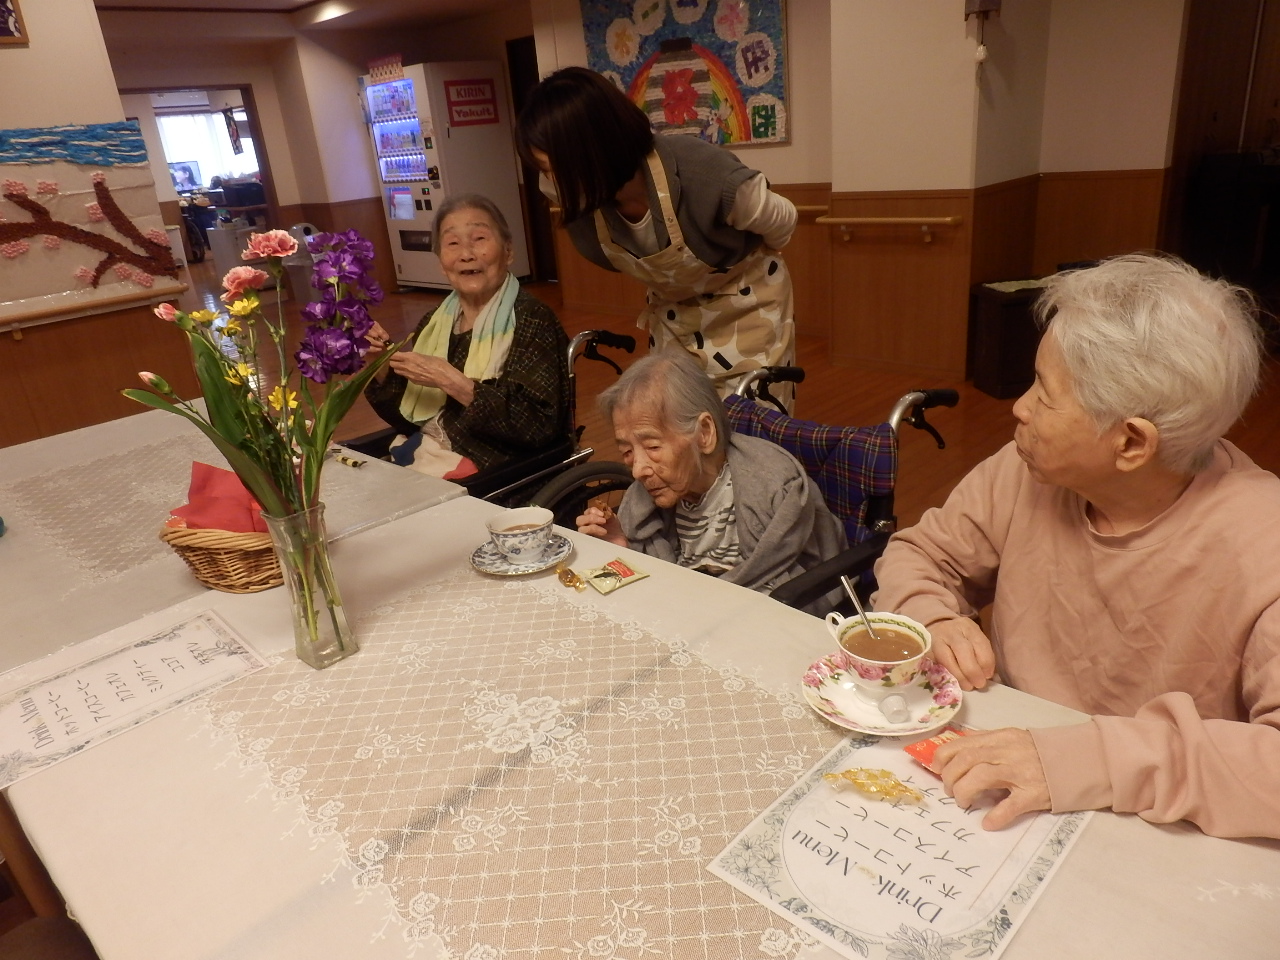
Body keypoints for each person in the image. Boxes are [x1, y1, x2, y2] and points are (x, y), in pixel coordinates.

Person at [873, 253, 1280, 840]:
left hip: (1152, 825)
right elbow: (921, 554)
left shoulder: (1262, 546)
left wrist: (1088, 761)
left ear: (1131, 443)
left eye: (1044, 392)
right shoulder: (1027, 468)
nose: (1019, 407)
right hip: (1005, 773)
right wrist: (929, 615)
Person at [517, 67, 798, 407]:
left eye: (555, 170)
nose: (549, 183)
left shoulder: (706, 177)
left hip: (749, 310)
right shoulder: (564, 191)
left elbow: (783, 222)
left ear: (597, 151)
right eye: (544, 170)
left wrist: (743, 270)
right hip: (675, 317)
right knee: (676, 421)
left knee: (752, 426)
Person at [577, 350, 846, 610]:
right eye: (627, 451)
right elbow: (656, 578)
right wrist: (624, 545)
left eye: (652, 447)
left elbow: (802, 592)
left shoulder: (774, 491)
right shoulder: (649, 497)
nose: (638, 470)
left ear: (704, 433)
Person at [364, 194, 569, 479]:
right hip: (429, 456)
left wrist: (454, 382)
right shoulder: (434, 323)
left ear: (508, 251)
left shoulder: (533, 321)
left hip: (498, 472)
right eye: (452, 243)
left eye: (479, 238)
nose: (466, 254)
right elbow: (407, 419)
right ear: (441, 262)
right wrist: (381, 365)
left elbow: (538, 427)